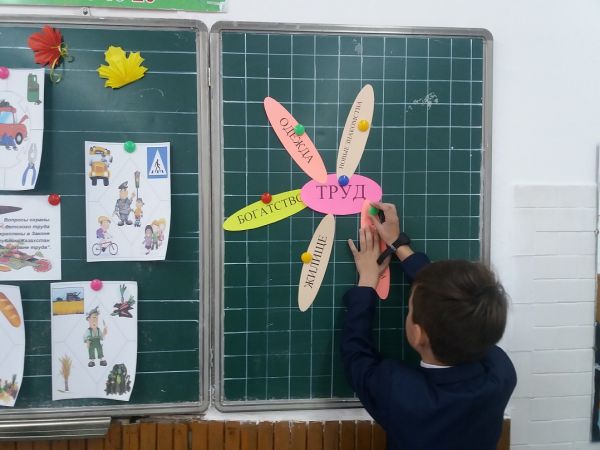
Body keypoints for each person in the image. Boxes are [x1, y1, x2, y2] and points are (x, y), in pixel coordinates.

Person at [342, 201, 516, 450]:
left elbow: (356, 357)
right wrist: (398, 244)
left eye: (410, 308)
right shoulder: (500, 374)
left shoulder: (398, 392)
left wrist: (368, 280)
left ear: (418, 333)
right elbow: (463, 310)